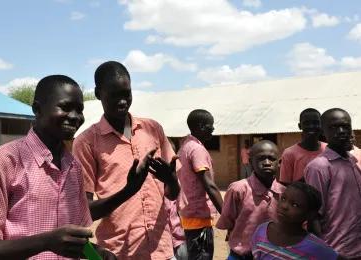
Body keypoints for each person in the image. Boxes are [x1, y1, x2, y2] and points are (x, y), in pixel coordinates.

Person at [0, 75, 116, 260]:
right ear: (37, 109)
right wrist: (46, 242)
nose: (75, 117)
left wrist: (98, 253)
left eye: (79, 110)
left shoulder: (74, 167)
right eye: (65, 107)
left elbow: (70, 241)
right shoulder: (2, 162)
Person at [72, 61, 181, 260]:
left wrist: (171, 180)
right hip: (119, 252)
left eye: (126, 94)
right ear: (98, 94)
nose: (122, 101)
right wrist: (128, 191)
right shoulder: (87, 142)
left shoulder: (152, 129)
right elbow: (85, 212)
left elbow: (173, 195)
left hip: (162, 250)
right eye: (114, 96)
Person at [305, 108, 361, 259]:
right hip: (337, 251)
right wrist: (325, 253)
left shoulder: (352, 161)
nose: (342, 131)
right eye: (334, 127)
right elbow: (312, 216)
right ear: (323, 133)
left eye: (346, 126)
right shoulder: (319, 167)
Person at [216, 140, 285, 260]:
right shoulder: (238, 189)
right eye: (260, 159)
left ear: (279, 163)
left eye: (271, 159)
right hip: (240, 256)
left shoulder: (283, 193)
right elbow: (228, 221)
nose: (267, 163)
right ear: (251, 162)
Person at [250, 182, 345, 260]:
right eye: (283, 199)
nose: (284, 206)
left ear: (310, 214)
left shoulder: (314, 246)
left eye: (294, 205)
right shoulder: (262, 230)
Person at [176, 109, 223, 260]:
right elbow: (209, 185)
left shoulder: (185, 147)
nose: (213, 129)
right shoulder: (197, 150)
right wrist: (227, 214)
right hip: (198, 218)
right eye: (211, 125)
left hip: (189, 215)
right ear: (202, 126)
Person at [279, 108, 326, 185]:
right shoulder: (290, 153)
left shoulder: (329, 149)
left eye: (316, 123)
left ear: (322, 125)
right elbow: (285, 185)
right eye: (306, 123)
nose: (311, 126)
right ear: (300, 126)